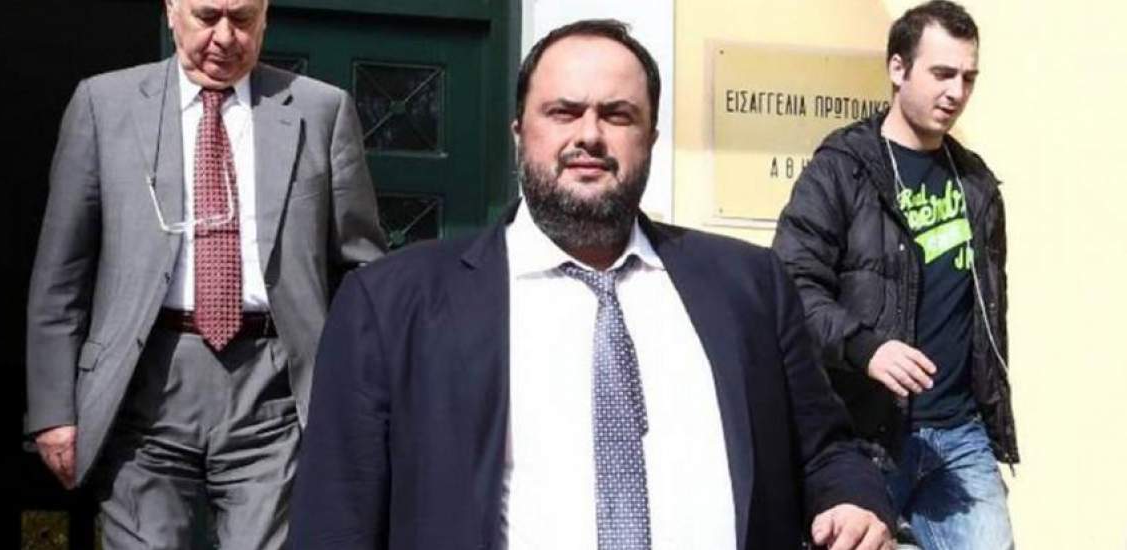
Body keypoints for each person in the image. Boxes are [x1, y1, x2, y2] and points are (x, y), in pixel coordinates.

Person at [291, 18, 893, 550]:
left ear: (650, 138)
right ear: (519, 132)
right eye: (563, 111)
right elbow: (337, 520)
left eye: (617, 114)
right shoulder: (392, 305)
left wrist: (853, 500)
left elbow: (825, 449)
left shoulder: (749, 286)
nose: (589, 135)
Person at [25, 0, 386, 546]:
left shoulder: (321, 110)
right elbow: (62, 271)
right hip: (142, 385)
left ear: (265, 16)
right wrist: (54, 409)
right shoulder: (104, 104)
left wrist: (361, 395)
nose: (224, 37)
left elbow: (362, 273)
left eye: (242, 20)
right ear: (171, 11)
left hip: (272, 388)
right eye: (207, 16)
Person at [772, 2, 1016, 548]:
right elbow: (790, 286)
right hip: (863, 435)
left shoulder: (976, 184)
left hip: (960, 437)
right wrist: (866, 347)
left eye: (968, 77)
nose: (956, 92)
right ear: (898, 68)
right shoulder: (841, 169)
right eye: (942, 73)